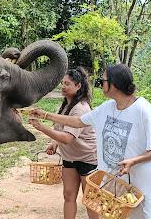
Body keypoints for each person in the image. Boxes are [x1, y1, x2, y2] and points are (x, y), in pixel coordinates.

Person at [30, 64, 151, 219]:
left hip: (142, 183)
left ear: (115, 84)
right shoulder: (108, 107)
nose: (100, 84)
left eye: (103, 81)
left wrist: (134, 161)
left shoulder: (143, 110)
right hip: (118, 181)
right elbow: (78, 121)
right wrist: (45, 115)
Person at [29, 67, 99, 219]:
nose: (63, 86)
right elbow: (63, 130)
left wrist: (41, 127)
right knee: (68, 196)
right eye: (62, 83)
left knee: (90, 201)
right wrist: (55, 143)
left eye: (67, 83)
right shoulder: (66, 106)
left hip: (88, 159)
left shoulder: (80, 109)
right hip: (70, 159)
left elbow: (67, 138)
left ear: (78, 86)